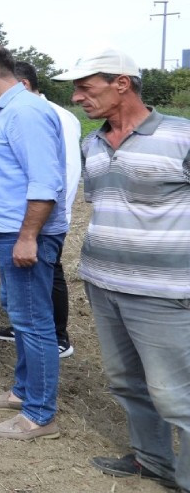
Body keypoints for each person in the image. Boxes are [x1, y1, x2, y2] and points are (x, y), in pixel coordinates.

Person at [52, 48, 190, 490]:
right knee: (127, 383)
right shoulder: (91, 143)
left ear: (122, 83)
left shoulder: (181, 136)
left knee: (177, 396)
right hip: (104, 284)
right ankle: (153, 460)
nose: (76, 98)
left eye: (84, 87)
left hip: (164, 292)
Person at [0, 44, 67, 441]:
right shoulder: (8, 112)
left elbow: (44, 181)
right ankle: (22, 393)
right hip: (9, 231)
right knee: (23, 317)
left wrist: (27, 237)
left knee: (34, 323)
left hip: (23, 235)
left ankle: (39, 415)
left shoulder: (25, 113)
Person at [0, 62, 81, 358]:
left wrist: (50, 218)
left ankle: (58, 337)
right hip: (35, 213)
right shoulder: (34, 113)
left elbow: (60, 172)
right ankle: (32, 331)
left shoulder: (52, 115)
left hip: (47, 216)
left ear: (24, 85)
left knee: (50, 272)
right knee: (36, 281)